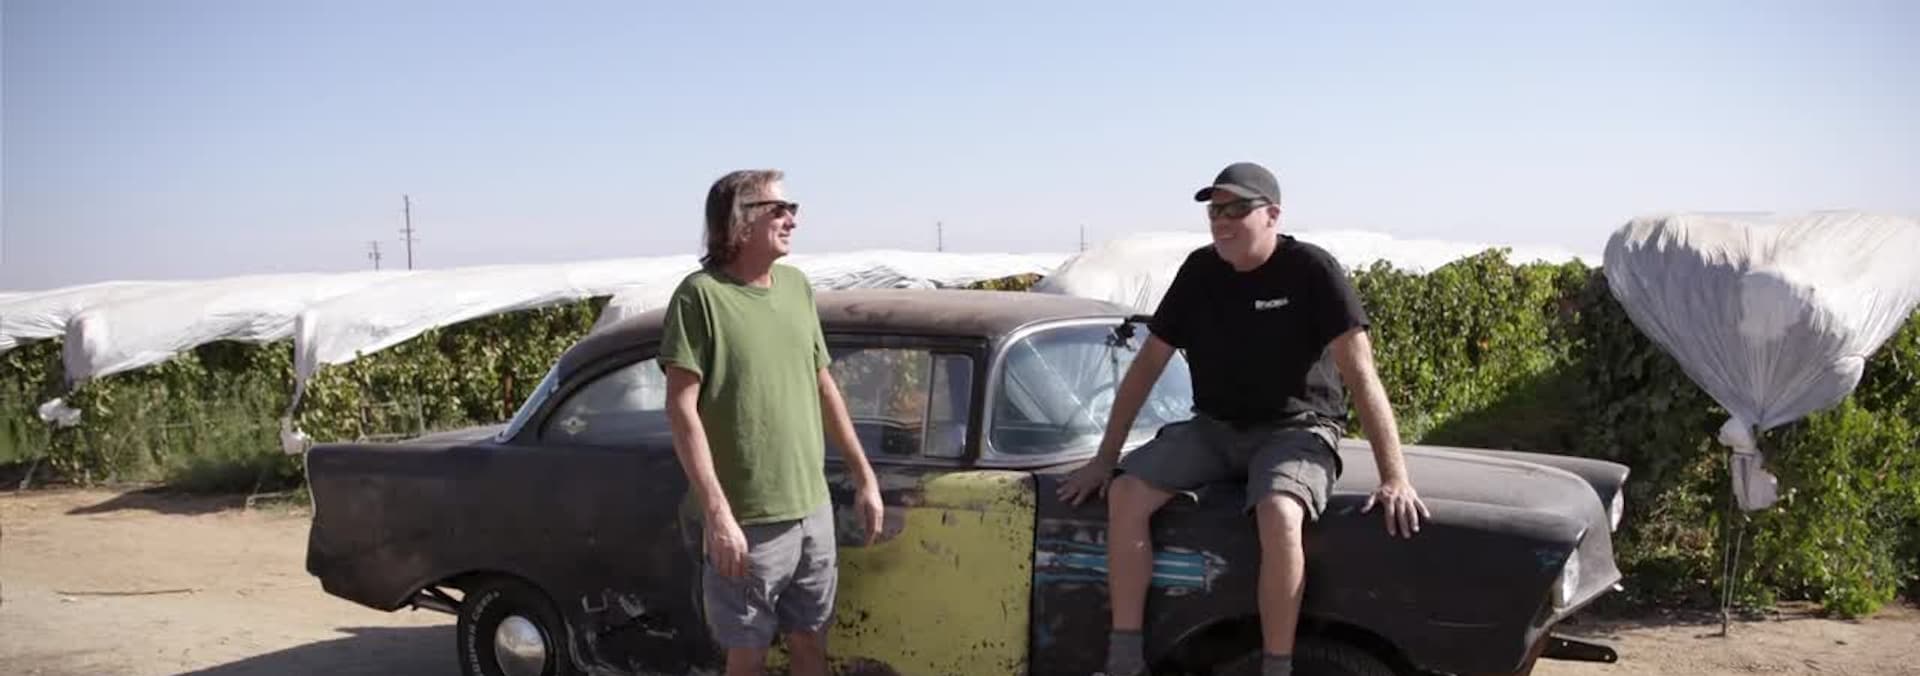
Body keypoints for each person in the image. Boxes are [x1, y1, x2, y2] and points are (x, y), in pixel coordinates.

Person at [1057, 162, 1429, 676]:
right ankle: (1124, 659)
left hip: (1296, 430)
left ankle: (1276, 666)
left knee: (1278, 511)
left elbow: (1362, 374)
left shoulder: (1311, 270)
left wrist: (1395, 477)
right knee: (1125, 493)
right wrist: (1104, 459)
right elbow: (1145, 368)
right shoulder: (1199, 272)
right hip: (1214, 429)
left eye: (1236, 209)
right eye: (1215, 211)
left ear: (1272, 215)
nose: (1222, 221)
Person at [659, 169, 885, 676]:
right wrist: (718, 516)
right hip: (748, 519)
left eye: (792, 209)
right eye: (779, 209)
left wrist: (864, 476)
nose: (791, 220)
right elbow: (680, 409)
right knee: (748, 657)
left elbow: (823, 386)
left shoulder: (796, 287)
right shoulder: (700, 297)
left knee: (811, 644)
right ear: (740, 222)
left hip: (812, 509)